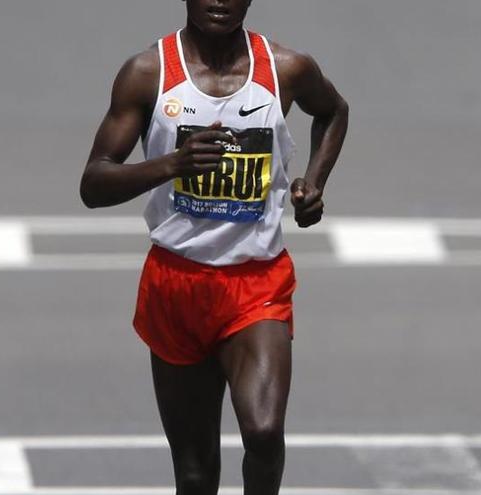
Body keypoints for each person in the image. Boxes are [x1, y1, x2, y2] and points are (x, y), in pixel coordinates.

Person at [79, 0, 348, 492]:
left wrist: (314, 183)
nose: (220, 2)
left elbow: (332, 111)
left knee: (264, 434)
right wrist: (170, 166)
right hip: (176, 282)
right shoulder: (147, 73)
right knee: (196, 471)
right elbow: (93, 184)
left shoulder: (287, 68)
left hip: (256, 282)